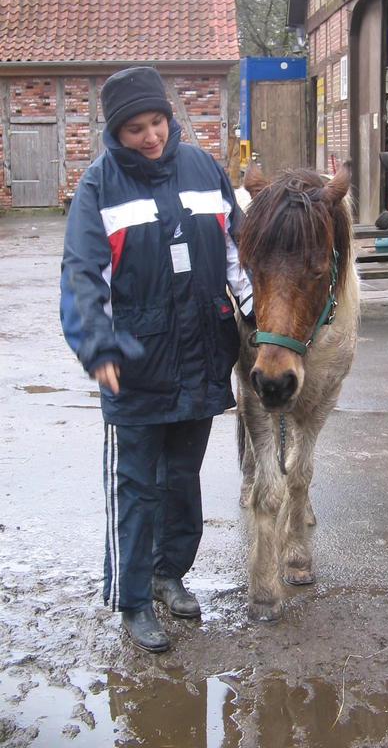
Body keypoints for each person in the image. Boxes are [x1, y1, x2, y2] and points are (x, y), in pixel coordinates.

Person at [60, 66, 253, 653]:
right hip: (137, 366)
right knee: (137, 486)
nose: (151, 136)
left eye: (158, 122)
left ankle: (172, 573)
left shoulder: (203, 168)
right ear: (115, 133)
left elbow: (235, 256)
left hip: (201, 357)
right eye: (135, 128)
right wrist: (96, 345)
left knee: (182, 480)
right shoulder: (99, 186)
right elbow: (81, 277)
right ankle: (134, 598)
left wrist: (259, 319)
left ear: (170, 116)